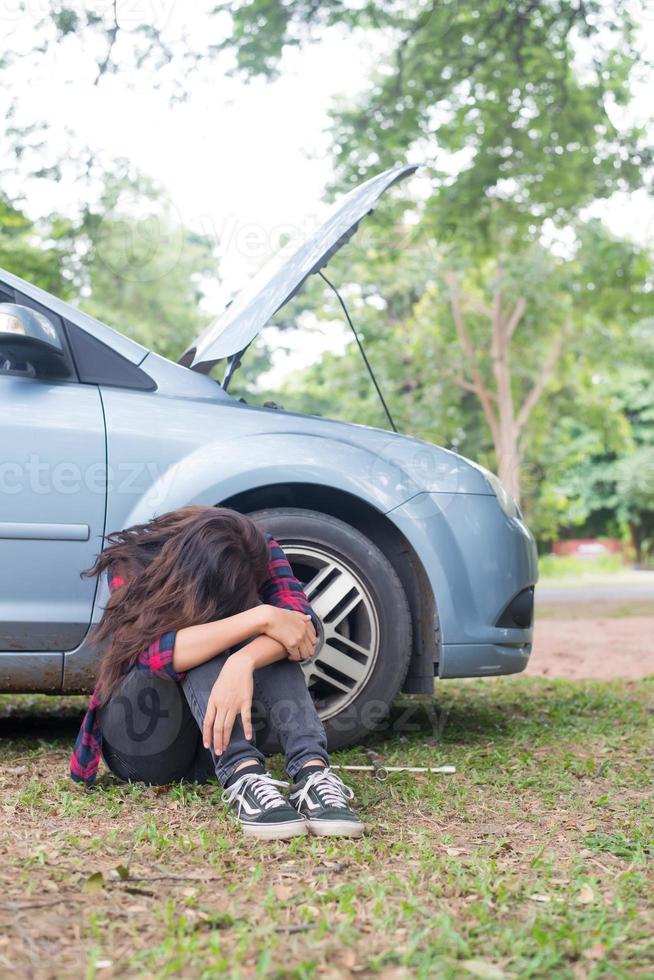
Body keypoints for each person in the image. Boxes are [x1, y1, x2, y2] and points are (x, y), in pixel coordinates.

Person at [70, 505, 363, 840]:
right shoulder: (136, 563)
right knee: (207, 634)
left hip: (207, 740)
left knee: (274, 629)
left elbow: (302, 631)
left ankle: (312, 772)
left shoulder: (256, 550)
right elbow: (155, 656)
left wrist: (244, 660)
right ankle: (243, 775)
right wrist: (259, 618)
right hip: (145, 745)